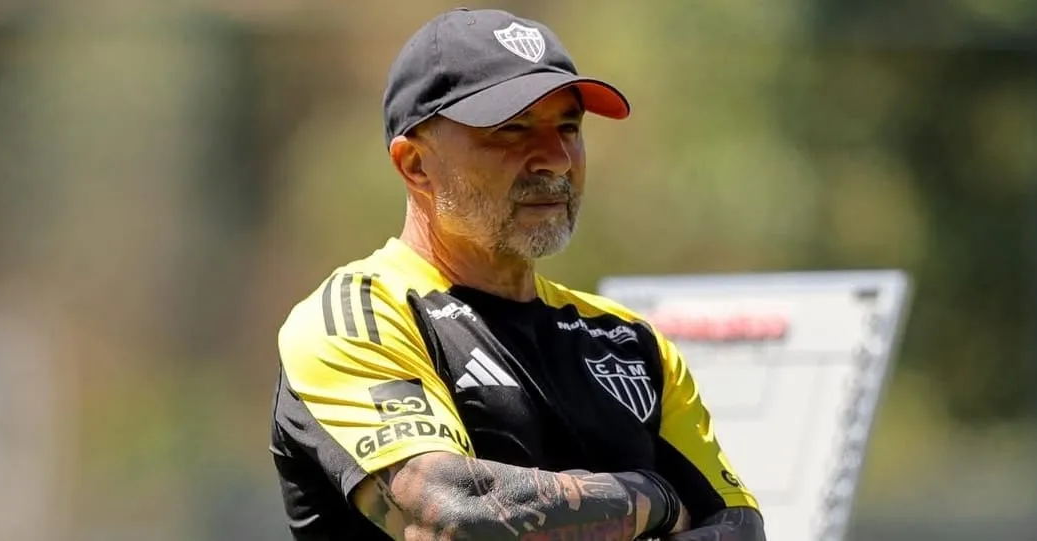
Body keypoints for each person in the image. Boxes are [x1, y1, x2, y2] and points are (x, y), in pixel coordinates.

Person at [269, 7, 766, 541]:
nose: (556, 159)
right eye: (511, 130)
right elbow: (453, 514)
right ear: (415, 164)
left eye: (568, 127)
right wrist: (656, 498)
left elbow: (738, 528)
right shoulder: (358, 317)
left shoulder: (632, 343)